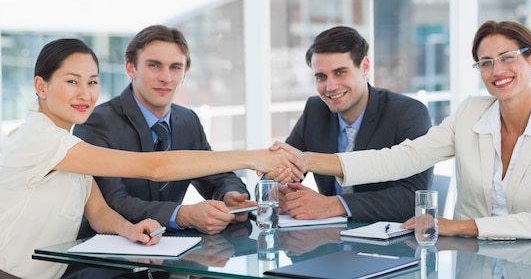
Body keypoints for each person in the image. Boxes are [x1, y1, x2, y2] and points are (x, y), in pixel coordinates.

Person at [0, 38, 304, 279]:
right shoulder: (39, 139)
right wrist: (254, 158)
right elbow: (155, 167)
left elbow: (99, 212)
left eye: (92, 82)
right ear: (41, 86)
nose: (85, 93)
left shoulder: (68, 144)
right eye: (72, 81)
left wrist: (129, 229)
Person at [273, 20, 531, 240]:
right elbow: (399, 158)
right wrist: (305, 160)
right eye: (486, 62)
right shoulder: (470, 113)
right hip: (472, 261)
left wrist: (456, 226)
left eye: (507, 58)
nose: (497, 71)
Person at [74, 25, 252, 238]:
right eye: (154, 65)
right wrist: (182, 215)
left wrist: (231, 196)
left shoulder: (188, 121)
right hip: (109, 257)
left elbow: (216, 175)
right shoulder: (97, 122)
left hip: (169, 253)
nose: (166, 78)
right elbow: (112, 202)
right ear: (131, 69)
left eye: (175, 67)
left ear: (185, 73)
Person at [264, 26, 433, 222]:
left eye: (340, 72)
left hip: (389, 244)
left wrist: (334, 205)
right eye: (321, 77)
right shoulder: (316, 110)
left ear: (365, 67)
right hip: (329, 240)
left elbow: (414, 199)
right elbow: (283, 165)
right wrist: (278, 189)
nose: (330, 87)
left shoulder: (408, 113)